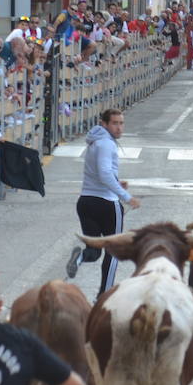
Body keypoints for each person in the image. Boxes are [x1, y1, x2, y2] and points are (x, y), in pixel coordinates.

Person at [66, 109, 139, 296]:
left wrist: (116, 180)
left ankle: (80, 257)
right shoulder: (107, 144)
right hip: (107, 204)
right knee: (113, 251)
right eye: (115, 123)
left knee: (94, 250)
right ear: (104, 124)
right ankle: (104, 295)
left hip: (86, 201)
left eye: (121, 123)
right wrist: (125, 196)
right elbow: (104, 173)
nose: (119, 127)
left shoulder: (94, 142)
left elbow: (100, 172)